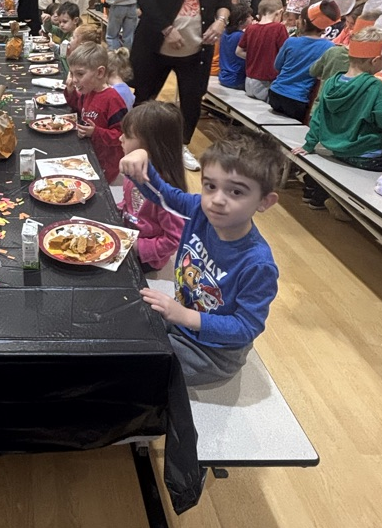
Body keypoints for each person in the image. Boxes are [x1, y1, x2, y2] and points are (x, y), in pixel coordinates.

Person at [119, 129, 284, 386]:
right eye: (210, 186)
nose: (217, 200)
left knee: (136, 368)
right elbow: (162, 194)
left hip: (212, 353)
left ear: (264, 202)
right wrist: (141, 159)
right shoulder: (198, 208)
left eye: (236, 192)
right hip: (181, 320)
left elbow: (246, 327)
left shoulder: (258, 264)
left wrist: (184, 316)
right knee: (121, 327)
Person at [130, 0, 231, 172]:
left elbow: (224, 2)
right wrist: (166, 28)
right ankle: (138, 142)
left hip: (196, 51)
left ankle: (181, 145)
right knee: (144, 97)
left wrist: (221, 21)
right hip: (155, 47)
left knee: (191, 101)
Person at [297, 26, 382, 209]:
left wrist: (308, 145)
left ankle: (320, 194)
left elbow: (318, 117)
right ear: (375, 60)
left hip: (338, 150)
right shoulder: (375, 87)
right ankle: (346, 207)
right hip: (367, 156)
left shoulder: (332, 82)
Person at [118, 102, 186, 274]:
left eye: (127, 135)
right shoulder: (135, 174)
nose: (120, 138)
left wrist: (136, 246)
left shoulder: (166, 193)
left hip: (146, 256)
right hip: (127, 234)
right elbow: (129, 204)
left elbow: (174, 240)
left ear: (150, 146)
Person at [64, 41, 127, 183]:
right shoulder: (88, 92)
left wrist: (95, 132)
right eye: (72, 74)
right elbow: (78, 108)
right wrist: (70, 91)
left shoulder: (113, 99)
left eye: (80, 74)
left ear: (100, 72)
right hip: (90, 154)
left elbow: (122, 136)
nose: (74, 80)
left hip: (106, 164)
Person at [268, 0, 339, 121]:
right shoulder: (329, 47)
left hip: (275, 92)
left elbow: (277, 65)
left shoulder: (291, 41)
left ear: (304, 22)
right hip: (298, 99)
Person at [236, 0, 287, 101]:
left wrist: (255, 57)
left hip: (249, 81)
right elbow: (286, 54)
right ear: (279, 12)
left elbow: (238, 51)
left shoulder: (250, 28)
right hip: (266, 81)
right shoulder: (279, 28)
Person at [218, 4, 253, 89]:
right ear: (241, 21)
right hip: (237, 79)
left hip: (223, 77)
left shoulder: (224, 33)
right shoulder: (241, 36)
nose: (252, 18)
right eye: (249, 16)